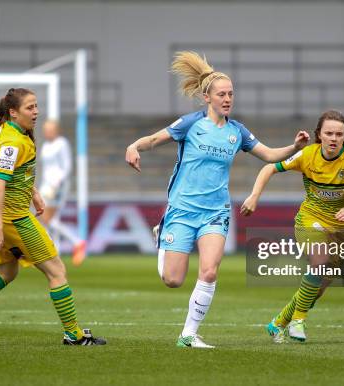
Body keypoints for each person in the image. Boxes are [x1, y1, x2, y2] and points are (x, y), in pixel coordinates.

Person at [125, 51, 310, 348]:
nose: (227, 99)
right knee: (172, 280)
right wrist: (134, 146)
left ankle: (188, 334)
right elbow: (153, 140)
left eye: (231, 94)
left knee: (210, 271)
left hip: (215, 212)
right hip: (182, 210)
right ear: (207, 97)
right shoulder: (190, 124)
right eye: (221, 94)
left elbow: (269, 155)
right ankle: (163, 236)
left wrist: (295, 146)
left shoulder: (238, 132)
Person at [0, 88, 105, 347]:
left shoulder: (7, 132)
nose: (36, 112)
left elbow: (11, 174)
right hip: (13, 219)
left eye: (36, 106)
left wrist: (33, 192)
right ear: (13, 112)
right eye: (30, 108)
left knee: (7, 272)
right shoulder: (13, 142)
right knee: (57, 271)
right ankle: (74, 335)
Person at [240, 109, 344, 343]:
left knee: (318, 287)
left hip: (341, 228)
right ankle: (298, 322)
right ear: (319, 135)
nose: (334, 138)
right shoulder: (307, 155)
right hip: (310, 219)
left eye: (339, 134)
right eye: (329, 133)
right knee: (319, 261)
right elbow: (269, 167)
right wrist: (254, 196)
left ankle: (278, 322)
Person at [38, 119, 87, 266]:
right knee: (48, 220)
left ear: (56, 130)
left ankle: (76, 242)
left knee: (45, 218)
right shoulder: (46, 146)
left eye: (50, 129)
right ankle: (56, 250)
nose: (47, 132)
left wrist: (57, 183)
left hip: (57, 186)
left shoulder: (62, 143)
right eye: (45, 129)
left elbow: (67, 166)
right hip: (46, 186)